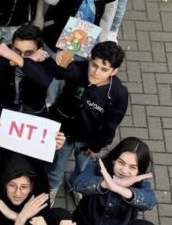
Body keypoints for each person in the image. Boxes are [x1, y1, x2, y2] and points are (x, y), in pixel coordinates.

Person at [46, 42, 129, 197]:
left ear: (114, 71)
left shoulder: (118, 94)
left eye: (104, 69)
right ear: (89, 60)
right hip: (64, 133)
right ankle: (52, 187)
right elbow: (59, 73)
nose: (96, 72)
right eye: (94, 65)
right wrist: (63, 57)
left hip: (88, 141)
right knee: (56, 165)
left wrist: (97, 146)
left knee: (83, 167)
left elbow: (111, 126)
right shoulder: (78, 69)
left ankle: (76, 185)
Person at [71, 137, 156, 225]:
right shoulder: (97, 167)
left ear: (139, 171)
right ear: (113, 160)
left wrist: (120, 189)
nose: (124, 171)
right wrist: (105, 184)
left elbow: (150, 203)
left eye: (132, 167)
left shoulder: (140, 183)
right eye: (121, 162)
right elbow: (78, 184)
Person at [0, 25, 56, 119]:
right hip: (1, 110)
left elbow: (43, 81)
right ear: (12, 46)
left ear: (39, 50)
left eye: (28, 53)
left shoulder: (47, 61)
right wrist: (27, 59)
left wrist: (16, 60)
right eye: (17, 51)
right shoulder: (8, 52)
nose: (22, 56)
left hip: (33, 114)